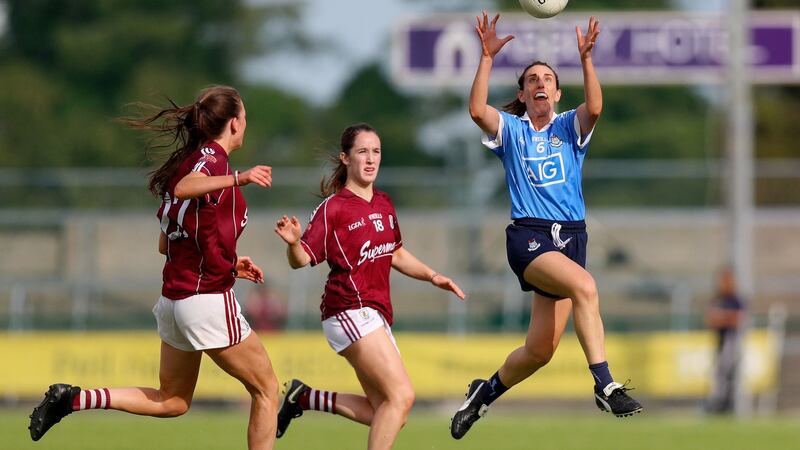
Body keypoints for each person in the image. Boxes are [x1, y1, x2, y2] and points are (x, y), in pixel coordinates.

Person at [28, 86, 281, 450]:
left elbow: (167, 242)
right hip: (205, 300)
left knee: (174, 400)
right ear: (235, 123)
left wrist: (229, 264)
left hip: (175, 301)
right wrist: (240, 178)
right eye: (244, 116)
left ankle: (75, 399)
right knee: (267, 389)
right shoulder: (212, 163)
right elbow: (184, 190)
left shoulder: (190, 160)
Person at [450, 13, 642, 440]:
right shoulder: (514, 130)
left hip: (571, 237)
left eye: (548, 78)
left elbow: (595, 107)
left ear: (556, 92)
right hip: (530, 237)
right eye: (532, 78)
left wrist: (587, 59)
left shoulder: (568, 126)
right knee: (586, 288)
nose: (540, 83)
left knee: (540, 351)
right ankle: (606, 384)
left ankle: (482, 395)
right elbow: (476, 110)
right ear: (522, 92)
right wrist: (485, 57)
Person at [273, 123, 465, 450]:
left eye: (376, 151)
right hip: (348, 308)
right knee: (402, 396)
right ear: (345, 158)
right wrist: (292, 244)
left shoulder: (384, 203)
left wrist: (433, 276)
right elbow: (301, 259)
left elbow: (396, 253)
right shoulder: (333, 208)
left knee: (388, 409)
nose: (371, 158)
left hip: (374, 313)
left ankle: (303, 397)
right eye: (363, 151)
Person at [704, 266, 745, 414]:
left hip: (731, 341)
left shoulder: (735, 300)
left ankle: (728, 404)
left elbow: (737, 319)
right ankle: (718, 404)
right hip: (719, 341)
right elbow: (711, 319)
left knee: (729, 373)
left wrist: (723, 317)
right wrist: (724, 317)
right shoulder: (718, 299)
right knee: (719, 374)